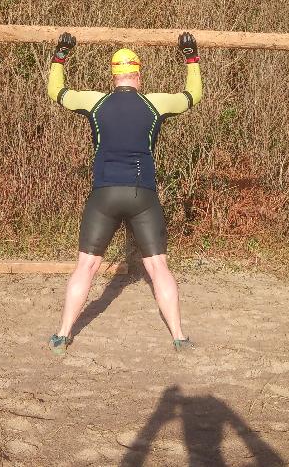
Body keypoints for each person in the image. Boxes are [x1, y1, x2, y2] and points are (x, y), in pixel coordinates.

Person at [46, 31, 203, 355]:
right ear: (138, 74)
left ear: (113, 75)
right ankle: (179, 337)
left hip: (104, 194)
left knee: (86, 267)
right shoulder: (155, 103)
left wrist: (60, 55)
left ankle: (62, 335)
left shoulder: (94, 100)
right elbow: (193, 94)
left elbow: (55, 91)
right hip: (142, 194)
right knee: (159, 268)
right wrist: (191, 57)